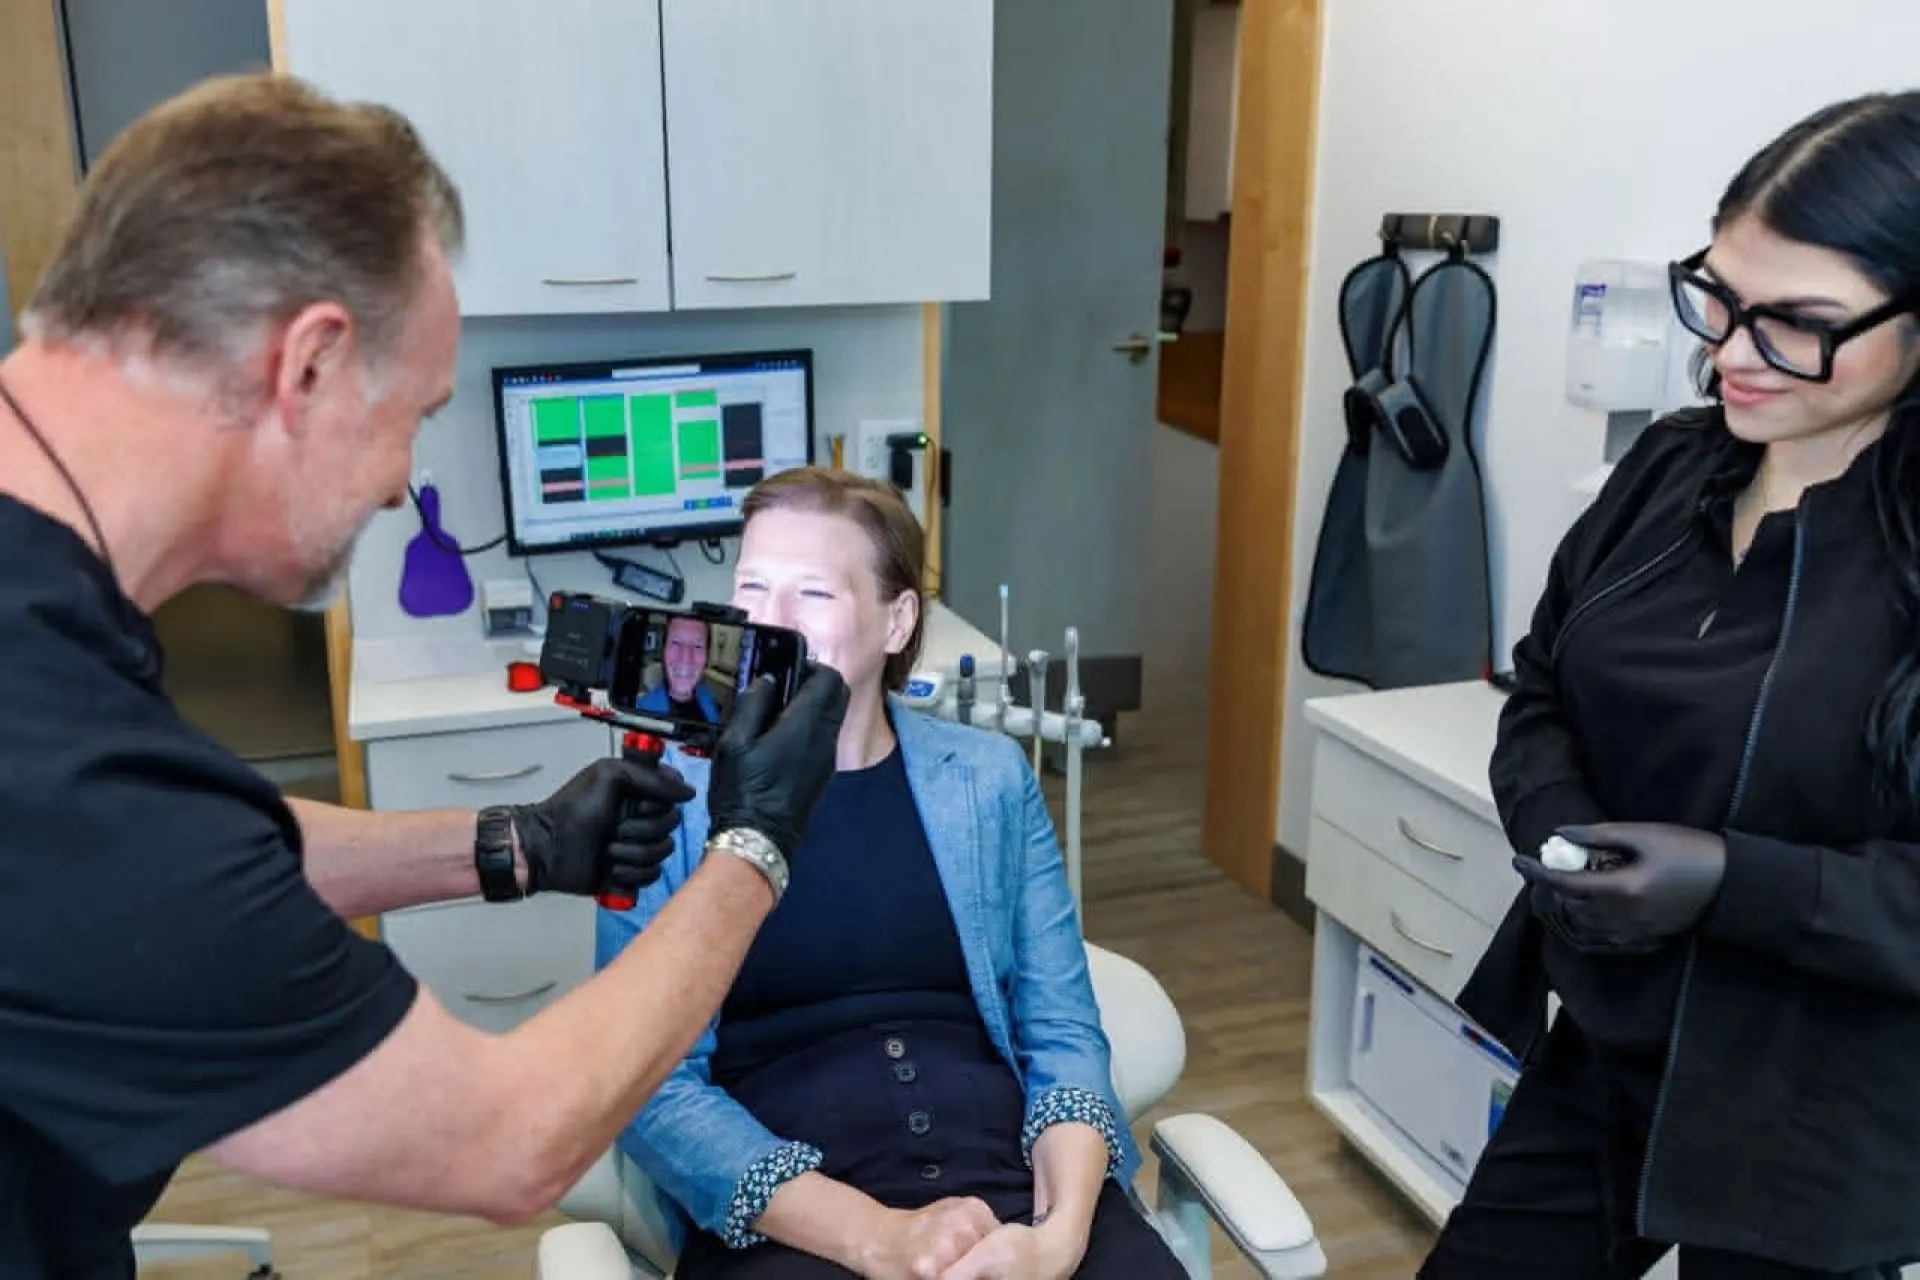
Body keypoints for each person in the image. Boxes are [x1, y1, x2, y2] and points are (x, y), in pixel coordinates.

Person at [0, 73, 848, 1280]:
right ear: (309, 365)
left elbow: (188, 848)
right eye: (413, 414)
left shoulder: (51, 618)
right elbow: (510, 1141)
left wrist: (509, 843)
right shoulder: (41, 731)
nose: (403, 484)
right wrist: (755, 841)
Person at [1421, 91, 1920, 1279]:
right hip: (1615, 1040)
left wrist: (1729, 883)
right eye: (1723, 297)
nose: (1731, 353)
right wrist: (1554, 829)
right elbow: (1541, 685)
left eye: (1798, 323)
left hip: (1818, 1109)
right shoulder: (1670, 466)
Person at [597, 468, 1187, 1280]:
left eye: (813, 595)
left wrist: (1059, 1239)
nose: (768, 623)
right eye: (751, 588)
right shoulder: (667, 798)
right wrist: (875, 1235)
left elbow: (1061, 1032)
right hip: (791, 1212)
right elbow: (651, 1086)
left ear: (895, 618)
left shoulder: (988, 781)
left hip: (1011, 1174)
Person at [638, 613, 725, 723]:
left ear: (707, 657)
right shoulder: (640, 710)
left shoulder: (707, 696)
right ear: (663, 651)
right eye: (676, 643)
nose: (686, 658)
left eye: (697, 646)